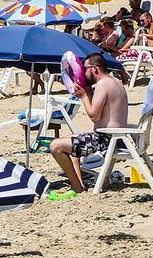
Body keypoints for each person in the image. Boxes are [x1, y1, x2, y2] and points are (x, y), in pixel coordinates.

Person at [48, 53, 129, 197]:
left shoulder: (103, 85)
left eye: (85, 69)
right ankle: (78, 183)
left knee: (55, 146)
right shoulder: (115, 81)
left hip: (105, 140)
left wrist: (84, 96)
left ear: (95, 69)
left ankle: (76, 186)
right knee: (70, 139)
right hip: (118, 137)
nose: (83, 73)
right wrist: (88, 91)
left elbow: (94, 115)